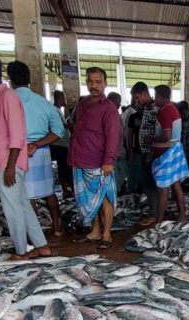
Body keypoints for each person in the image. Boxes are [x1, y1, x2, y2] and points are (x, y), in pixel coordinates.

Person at [0, 51, 51, 260]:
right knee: (23, 205)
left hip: (9, 164)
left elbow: (17, 136)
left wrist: (10, 167)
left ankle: (21, 251)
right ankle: (41, 245)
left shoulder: (8, 97)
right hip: (7, 163)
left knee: (12, 208)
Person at [6, 61, 67, 237]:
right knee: (49, 191)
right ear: (29, 79)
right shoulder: (44, 103)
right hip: (42, 151)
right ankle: (57, 227)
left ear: (10, 80)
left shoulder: (8, 102)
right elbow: (59, 131)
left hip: (17, 152)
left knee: (28, 195)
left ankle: (36, 235)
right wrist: (37, 144)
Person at [70, 67, 121, 249]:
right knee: (91, 200)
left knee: (104, 197)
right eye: (90, 81)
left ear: (105, 84)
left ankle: (107, 234)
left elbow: (113, 137)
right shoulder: (82, 104)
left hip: (99, 163)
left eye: (98, 82)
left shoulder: (109, 109)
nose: (94, 85)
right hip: (80, 160)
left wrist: (108, 161)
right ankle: (95, 230)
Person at [145, 85, 189, 224]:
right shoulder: (171, 109)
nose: (154, 99)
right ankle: (182, 215)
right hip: (173, 152)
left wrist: (150, 139)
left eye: (156, 96)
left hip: (167, 154)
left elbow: (166, 136)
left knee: (163, 189)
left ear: (160, 96)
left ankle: (159, 220)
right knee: (176, 185)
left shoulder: (166, 111)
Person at [131, 82, 160, 225]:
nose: (136, 101)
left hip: (150, 152)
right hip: (144, 152)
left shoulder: (154, 109)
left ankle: (154, 213)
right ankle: (153, 208)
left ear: (144, 94)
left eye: (137, 97)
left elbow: (156, 131)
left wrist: (151, 151)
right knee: (146, 182)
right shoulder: (147, 108)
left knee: (150, 184)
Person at [51, 90, 74, 197]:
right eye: (64, 98)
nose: (65, 100)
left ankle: (67, 188)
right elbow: (60, 126)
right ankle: (65, 189)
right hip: (59, 144)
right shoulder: (55, 110)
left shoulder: (58, 110)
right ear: (60, 99)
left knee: (65, 167)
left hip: (63, 143)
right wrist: (74, 125)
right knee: (63, 167)